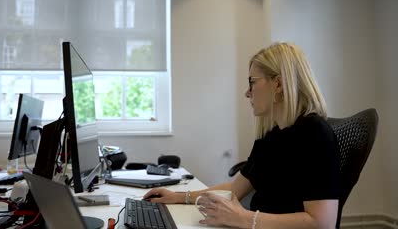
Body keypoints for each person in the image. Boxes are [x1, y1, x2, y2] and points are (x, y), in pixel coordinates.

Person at [143, 42, 340, 229]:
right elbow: (234, 189)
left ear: (278, 84)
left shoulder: (315, 134)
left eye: (252, 82)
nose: (247, 92)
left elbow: (322, 223)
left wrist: (244, 219)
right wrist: (179, 196)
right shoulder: (272, 135)